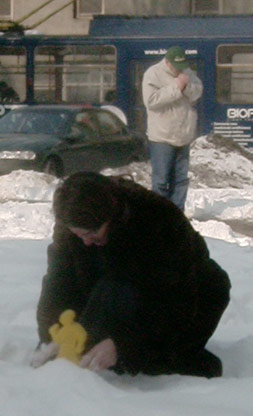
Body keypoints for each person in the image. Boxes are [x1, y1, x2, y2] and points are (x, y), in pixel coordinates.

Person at [32, 171, 231, 378]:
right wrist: (52, 333)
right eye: (79, 235)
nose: (86, 242)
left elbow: (176, 302)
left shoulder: (157, 220)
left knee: (140, 356)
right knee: (89, 339)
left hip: (192, 300)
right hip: (123, 287)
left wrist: (123, 345)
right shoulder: (72, 219)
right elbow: (59, 281)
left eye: (92, 234)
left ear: (111, 216)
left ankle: (182, 360)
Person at [142, 46, 203, 211]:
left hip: (184, 135)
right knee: (161, 180)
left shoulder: (187, 72)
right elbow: (151, 101)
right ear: (167, 62)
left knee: (181, 179)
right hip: (162, 137)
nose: (179, 70)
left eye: (182, 66)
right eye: (176, 67)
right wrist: (177, 87)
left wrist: (187, 86)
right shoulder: (152, 74)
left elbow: (197, 92)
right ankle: (159, 214)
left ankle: (177, 213)